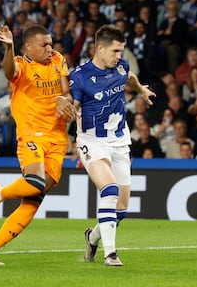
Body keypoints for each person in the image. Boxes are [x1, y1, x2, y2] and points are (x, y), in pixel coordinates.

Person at [0, 24, 78, 266]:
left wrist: (65, 100)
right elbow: (10, 71)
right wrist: (8, 48)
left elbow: (67, 92)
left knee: (34, 198)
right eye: (45, 45)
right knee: (34, 181)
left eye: (51, 43)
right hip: (32, 133)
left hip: (58, 138)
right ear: (28, 47)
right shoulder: (21, 64)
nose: (50, 48)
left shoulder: (58, 59)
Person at [69, 25, 155, 266]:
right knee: (109, 190)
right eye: (116, 51)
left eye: (122, 51)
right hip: (92, 142)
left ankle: (92, 237)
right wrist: (67, 111)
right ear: (100, 48)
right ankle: (111, 254)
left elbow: (129, 77)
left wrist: (141, 90)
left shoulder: (120, 66)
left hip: (119, 141)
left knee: (121, 210)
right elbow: (72, 104)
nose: (120, 56)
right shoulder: (80, 76)